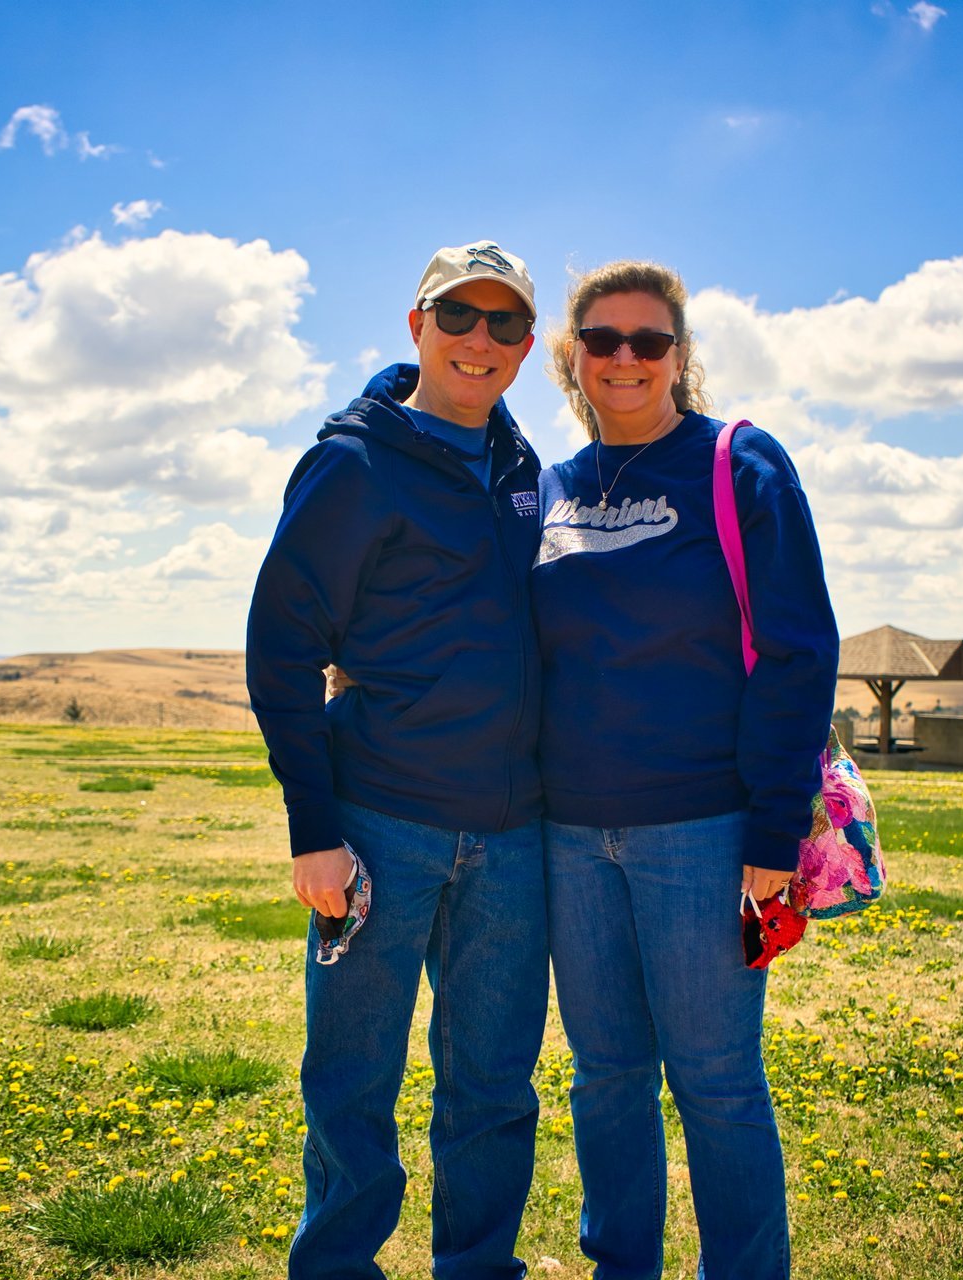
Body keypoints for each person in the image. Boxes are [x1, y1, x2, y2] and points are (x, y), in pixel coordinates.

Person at [246, 240, 549, 1280]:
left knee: (497, 1088)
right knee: (352, 1082)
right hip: (381, 825)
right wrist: (315, 834)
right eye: (457, 316)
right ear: (415, 324)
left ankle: (478, 1267)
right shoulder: (354, 464)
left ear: (525, 345)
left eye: (504, 323)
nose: (479, 339)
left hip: (513, 841)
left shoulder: (523, 473)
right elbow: (281, 648)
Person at [532, 260, 839, 1280]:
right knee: (606, 1078)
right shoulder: (550, 489)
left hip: (704, 834)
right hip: (571, 837)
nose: (625, 358)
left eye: (648, 341)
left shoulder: (738, 465)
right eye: (603, 339)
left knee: (716, 1081)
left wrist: (770, 836)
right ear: (574, 356)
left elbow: (801, 652)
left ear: (678, 355)